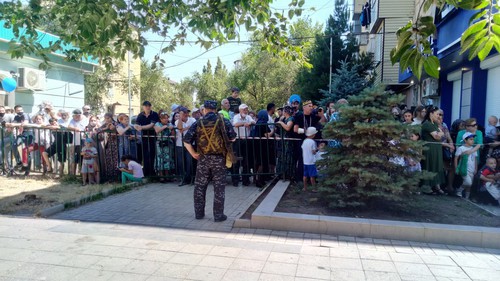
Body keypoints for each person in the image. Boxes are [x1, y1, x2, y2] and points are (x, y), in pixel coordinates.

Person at [183, 100, 236, 222]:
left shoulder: (198, 122)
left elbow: (186, 141)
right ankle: (218, 216)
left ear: (204, 109)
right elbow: (233, 138)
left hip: (203, 159)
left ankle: (199, 214)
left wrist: (193, 154)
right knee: (219, 188)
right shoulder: (223, 121)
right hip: (219, 159)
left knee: (200, 187)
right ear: (215, 109)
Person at [421, 106, 446, 194]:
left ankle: (436, 186)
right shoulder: (427, 124)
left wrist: (441, 132)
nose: (439, 116)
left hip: (437, 148)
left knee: (437, 166)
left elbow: (441, 134)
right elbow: (437, 136)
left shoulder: (434, 124)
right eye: (437, 114)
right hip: (430, 149)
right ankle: (426, 186)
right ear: (431, 114)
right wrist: (441, 133)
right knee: (430, 165)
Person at [231, 104, 255, 186]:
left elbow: (253, 121)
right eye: (244, 110)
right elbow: (235, 124)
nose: (246, 111)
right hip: (237, 140)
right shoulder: (236, 117)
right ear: (240, 110)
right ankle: (235, 180)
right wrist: (244, 124)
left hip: (246, 140)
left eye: (246, 109)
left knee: (246, 160)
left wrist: (250, 122)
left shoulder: (248, 117)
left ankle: (246, 180)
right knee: (236, 160)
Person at [134, 100, 159, 177]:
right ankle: (146, 171)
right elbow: (136, 124)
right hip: (144, 137)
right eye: (146, 106)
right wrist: (137, 127)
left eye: (149, 106)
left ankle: (152, 172)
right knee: (145, 154)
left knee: (152, 154)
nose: (148, 107)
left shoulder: (154, 114)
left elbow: (151, 125)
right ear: (143, 107)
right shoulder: (140, 115)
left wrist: (141, 127)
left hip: (153, 137)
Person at [175, 106, 195, 186]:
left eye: (187, 112)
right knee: (181, 162)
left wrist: (184, 128)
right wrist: (180, 117)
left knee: (189, 161)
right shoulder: (177, 121)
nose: (186, 114)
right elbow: (179, 128)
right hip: (180, 144)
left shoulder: (192, 119)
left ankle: (190, 179)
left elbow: (193, 127)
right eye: (184, 113)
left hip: (190, 144)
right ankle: (182, 178)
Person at [455, 132, 479, 199]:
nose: (472, 141)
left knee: (469, 185)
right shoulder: (461, 148)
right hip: (464, 168)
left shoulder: (474, 149)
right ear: (465, 140)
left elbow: (475, 159)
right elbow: (456, 158)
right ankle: (459, 190)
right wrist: (456, 167)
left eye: (473, 139)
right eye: (471, 139)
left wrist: (476, 168)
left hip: (472, 169)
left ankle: (467, 197)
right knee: (468, 182)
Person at [97, 113, 119, 181]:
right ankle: (109, 176)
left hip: (116, 143)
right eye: (105, 118)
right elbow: (98, 130)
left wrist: (112, 128)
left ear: (111, 117)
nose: (107, 120)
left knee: (115, 160)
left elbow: (116, 129)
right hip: (108, 144)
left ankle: (116, 176)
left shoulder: (116, 123)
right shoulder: (105, 124)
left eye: (108, 118)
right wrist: (105, 128)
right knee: (108, 159)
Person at [155, 111, 174, 183]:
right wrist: (165, 126)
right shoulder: (157, 124)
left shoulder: (170, 124)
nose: (166, 119)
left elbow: (173, 131)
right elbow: (157, 130)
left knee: (168, 159)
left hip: (168, 143)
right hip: (160, 143)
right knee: (160, 159)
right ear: (160, 119)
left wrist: (171, 128)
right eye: (164, 118)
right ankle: (161, 176)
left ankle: (167, 176)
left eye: (167, 118)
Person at [68, 109, 89, 175]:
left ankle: (83, 173)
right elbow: (69, 126)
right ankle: (73, 174)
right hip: (76, 141)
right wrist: (75, 129)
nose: (77, 117)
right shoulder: (72, 120)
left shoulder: (85, 119)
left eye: (78, 116)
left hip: (84, 140)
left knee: (83, 156)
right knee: (75, 157)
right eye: (75, 116)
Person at [302, 127, 319, 192]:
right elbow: (313, 152)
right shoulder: (312, 142)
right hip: (311, 161)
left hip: (305, 161)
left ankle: (305, 187)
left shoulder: (304, 141)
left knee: (305, 175)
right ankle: (314, 188)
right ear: (313, 135)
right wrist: (317, 149)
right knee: (312, 176)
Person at [0, 105, 15, 174]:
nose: (1, 112)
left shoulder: (10, 116)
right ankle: (9, 169)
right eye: (0, 111)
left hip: (10, 136)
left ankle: (1, 166)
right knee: (7, 154)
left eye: (2, 110)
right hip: (2, 137)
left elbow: (14, 124)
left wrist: (8, 125)